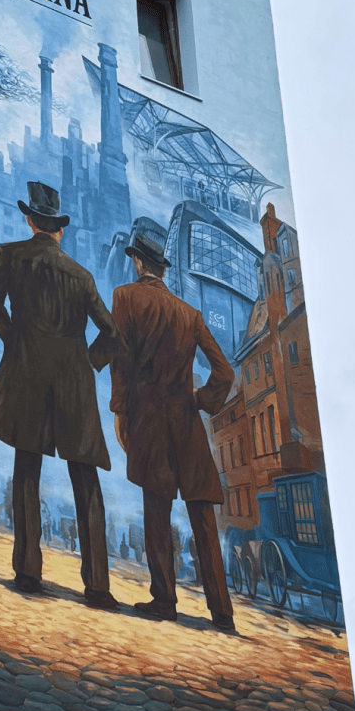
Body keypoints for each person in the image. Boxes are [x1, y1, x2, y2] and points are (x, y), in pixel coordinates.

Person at [0, 181, 119, 610]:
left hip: (28, 374)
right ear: (59, 229)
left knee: (26, 468)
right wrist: (88, 362)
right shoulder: (81, 275)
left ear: (30, 221)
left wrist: (12, 335)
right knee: (86, 477)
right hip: (75, 382)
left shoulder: (11, 255)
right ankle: (97, 585)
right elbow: (111, 334)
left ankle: (27, 570)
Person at [109, 233, 235, 630]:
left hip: (149, 422)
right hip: (187, 424)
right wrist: (200, 400)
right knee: (203, 519)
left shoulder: (125, 297)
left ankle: (164, 601)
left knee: (157, 513)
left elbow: (121, 360)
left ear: (137, 264)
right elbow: (225, 372)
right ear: (162, 269)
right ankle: (222, 612)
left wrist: (119, 409)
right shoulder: (189, 313)